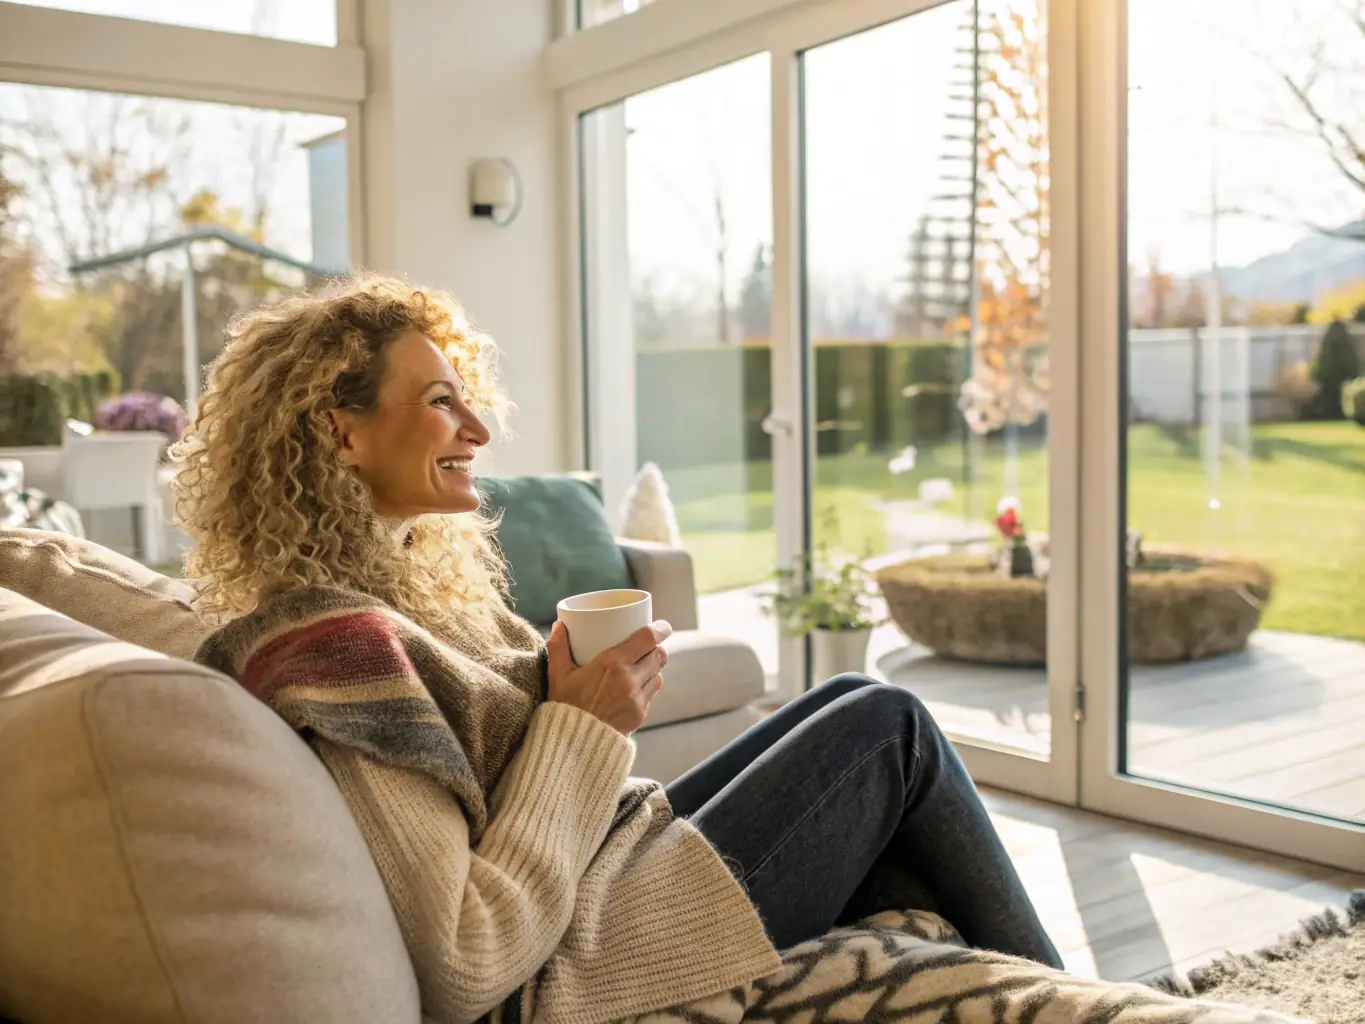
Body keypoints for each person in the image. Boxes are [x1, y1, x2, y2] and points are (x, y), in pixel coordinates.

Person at [172, 274, 1061, 1024]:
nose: (478, 429)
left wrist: (570, 693)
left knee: (840, 706)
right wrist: (581, 726)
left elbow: (506, 771)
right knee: (886, 726)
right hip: (576, 961)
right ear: (342, 434)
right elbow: (465, 963)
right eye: (441, 402)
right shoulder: (336, 650)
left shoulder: (401, 597)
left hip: (606, 875)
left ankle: (1041, 1000)